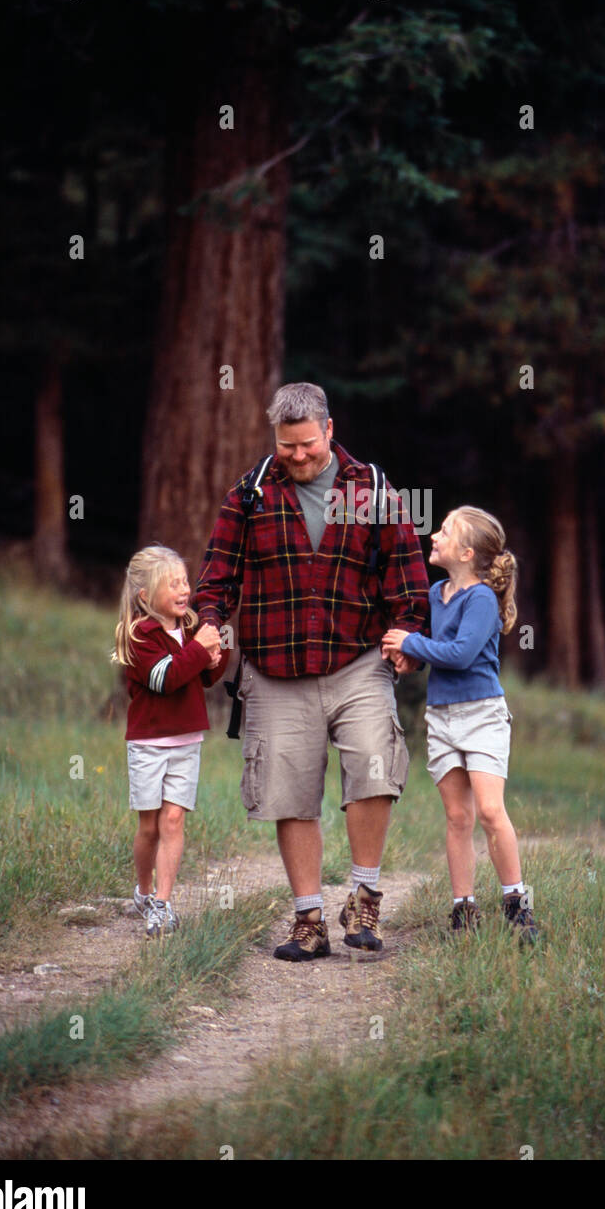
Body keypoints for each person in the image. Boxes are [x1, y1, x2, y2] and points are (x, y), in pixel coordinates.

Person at [195, 382, 429, 961]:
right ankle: (309, 920)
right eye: (285, 446)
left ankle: (364, 897)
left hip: (356, 661)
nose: (296, 456)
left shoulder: (372, 490)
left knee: (376, 769)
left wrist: (407, 635)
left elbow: (407, 577)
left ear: (328, 430)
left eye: (305, 445)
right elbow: (217, 577)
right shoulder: (248, 495)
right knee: (290, 793)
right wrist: (208, 622)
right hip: (275, 668)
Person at [382, 507, 538, 940]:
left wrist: (413, 641)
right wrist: (409, 655)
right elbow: (437, 650)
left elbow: (461, 653)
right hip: (442, 716)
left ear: (467, 552)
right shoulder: (437, 594)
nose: (434, 535)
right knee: (456, 816)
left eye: (445, 531)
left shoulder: (482, 599)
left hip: (482, 714)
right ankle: (463, 908)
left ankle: (516, 904)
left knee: (490, 810)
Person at [113, 545, 229, 938]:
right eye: (172, 584)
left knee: (174, 820)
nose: (184, 590)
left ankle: (161, 904)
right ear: (146, 597)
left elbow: (203, 677)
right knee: (149, 827)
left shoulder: (190, 630)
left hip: (187, 741)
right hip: (148, 743)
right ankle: (143, 891)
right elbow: (166, 678)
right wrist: (198, 652)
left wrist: (215, 657)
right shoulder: (140, 636)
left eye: (185, 581)